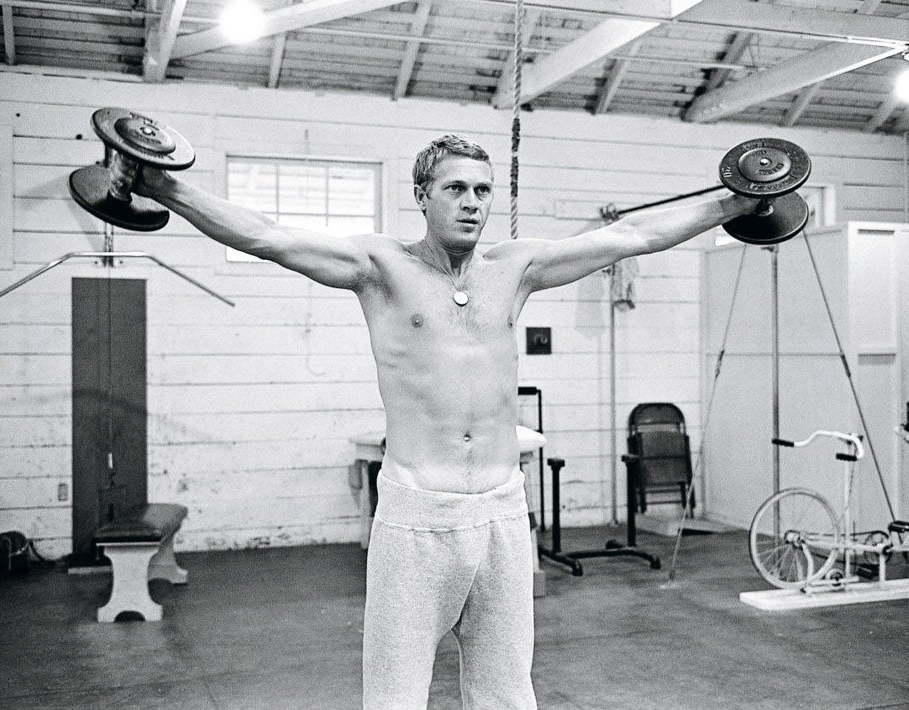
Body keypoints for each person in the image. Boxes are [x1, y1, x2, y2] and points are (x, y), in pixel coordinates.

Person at [134, 134, 758, 709]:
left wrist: (736, 203)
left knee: (506, 691)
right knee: (396, 692)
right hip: (417, 516)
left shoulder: (516, 269)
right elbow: (266, 236)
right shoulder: (380, 267)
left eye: (483, 190)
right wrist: (164, 186)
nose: (472, 203)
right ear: (422, 195)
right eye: (455, 188)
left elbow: (633, 237)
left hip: (501, 511)